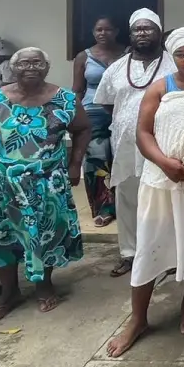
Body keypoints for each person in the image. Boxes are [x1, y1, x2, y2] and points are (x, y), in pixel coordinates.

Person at [0, 47, 89, 321]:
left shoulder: (65, 99)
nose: (31, 67)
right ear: (13, 68)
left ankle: (44, 285)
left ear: (47, 67)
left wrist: (75, 164)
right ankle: (9, 292)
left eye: (37, 63)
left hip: (46, 183)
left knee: (46, 232)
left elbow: (82, 129)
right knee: (0, 236)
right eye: (24, 63)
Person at [107, 28, 184, 356]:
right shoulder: (160, 87)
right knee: (149, 245)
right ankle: (138, 318)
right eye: (180, 54)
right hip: (160, 179)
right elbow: (143, 133)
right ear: (172, 57)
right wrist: (165, 162)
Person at [94, 8, 177, 278]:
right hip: (125, 145)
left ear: (159, 32)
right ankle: (129, 253)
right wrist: (129, 121)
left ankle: (165, 256)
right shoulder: (117, 68)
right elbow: (107, 103)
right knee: (127, 197)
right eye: (137, 29)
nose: (142, 33)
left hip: (162, 145)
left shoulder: (173, 64)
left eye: (148, 28)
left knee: (162, 198)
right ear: (130, 35)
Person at [72, 15, 124, 228]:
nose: (103, 33)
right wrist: (74, 117)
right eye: (98, 30)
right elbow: (77, 90)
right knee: (96, 159)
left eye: (107, 29)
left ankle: (123, 205)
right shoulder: (83, 57)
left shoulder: (128, 53)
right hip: (92, 113)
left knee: (121, 157)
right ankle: (103, 208)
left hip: (121, 111)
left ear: (116, 31)